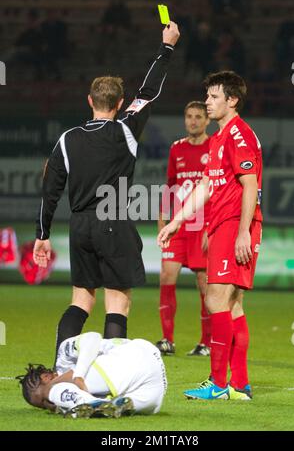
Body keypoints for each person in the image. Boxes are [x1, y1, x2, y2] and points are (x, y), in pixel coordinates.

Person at [32, 22, 180, 364]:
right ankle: (109, 378)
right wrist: (167, 47)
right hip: (113, 222)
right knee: (118, 303)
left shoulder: (67, 139)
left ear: (90, 101)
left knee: (80, 301)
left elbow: (50, 190)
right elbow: (150, 92)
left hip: (80, 225)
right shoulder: (126, 129)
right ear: (120, 103)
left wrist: (43, 235)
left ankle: (61, 369)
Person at [158, 71, 263, 400]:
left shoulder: (240, 135)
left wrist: (243, 231)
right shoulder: (219, 138)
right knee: (232, 306)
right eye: (207, 96)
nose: (208, 101)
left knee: (216, 299)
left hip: (234, 223)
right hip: (222, 224)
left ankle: (218, 384)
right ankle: (239, 385)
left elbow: (250, 185)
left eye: (214, 97)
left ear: (232, 101)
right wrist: (176, 221)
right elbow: (205, 186)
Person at [156, 101, 211, 356]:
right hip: (178, 225)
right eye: (189, 116)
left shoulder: (216, 147)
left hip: (203, 226)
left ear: (207, 120)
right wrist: (162, 220)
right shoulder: (176, 148)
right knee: (166, 277)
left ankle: (206, 343)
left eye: (199, 117)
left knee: (204, 284)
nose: (193, 121)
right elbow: (169, 185)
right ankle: (167, 340)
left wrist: (213, 228)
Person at [16, 332, 167, 417]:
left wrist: (79, 375)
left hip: (133, 355)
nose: (49, 404)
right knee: (119, 405)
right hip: (154, 387)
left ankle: (86, 402)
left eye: (43, 400)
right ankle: (104, 405)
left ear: (46, 377)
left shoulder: (64, 356)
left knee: (54, 388)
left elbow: (93, 337)